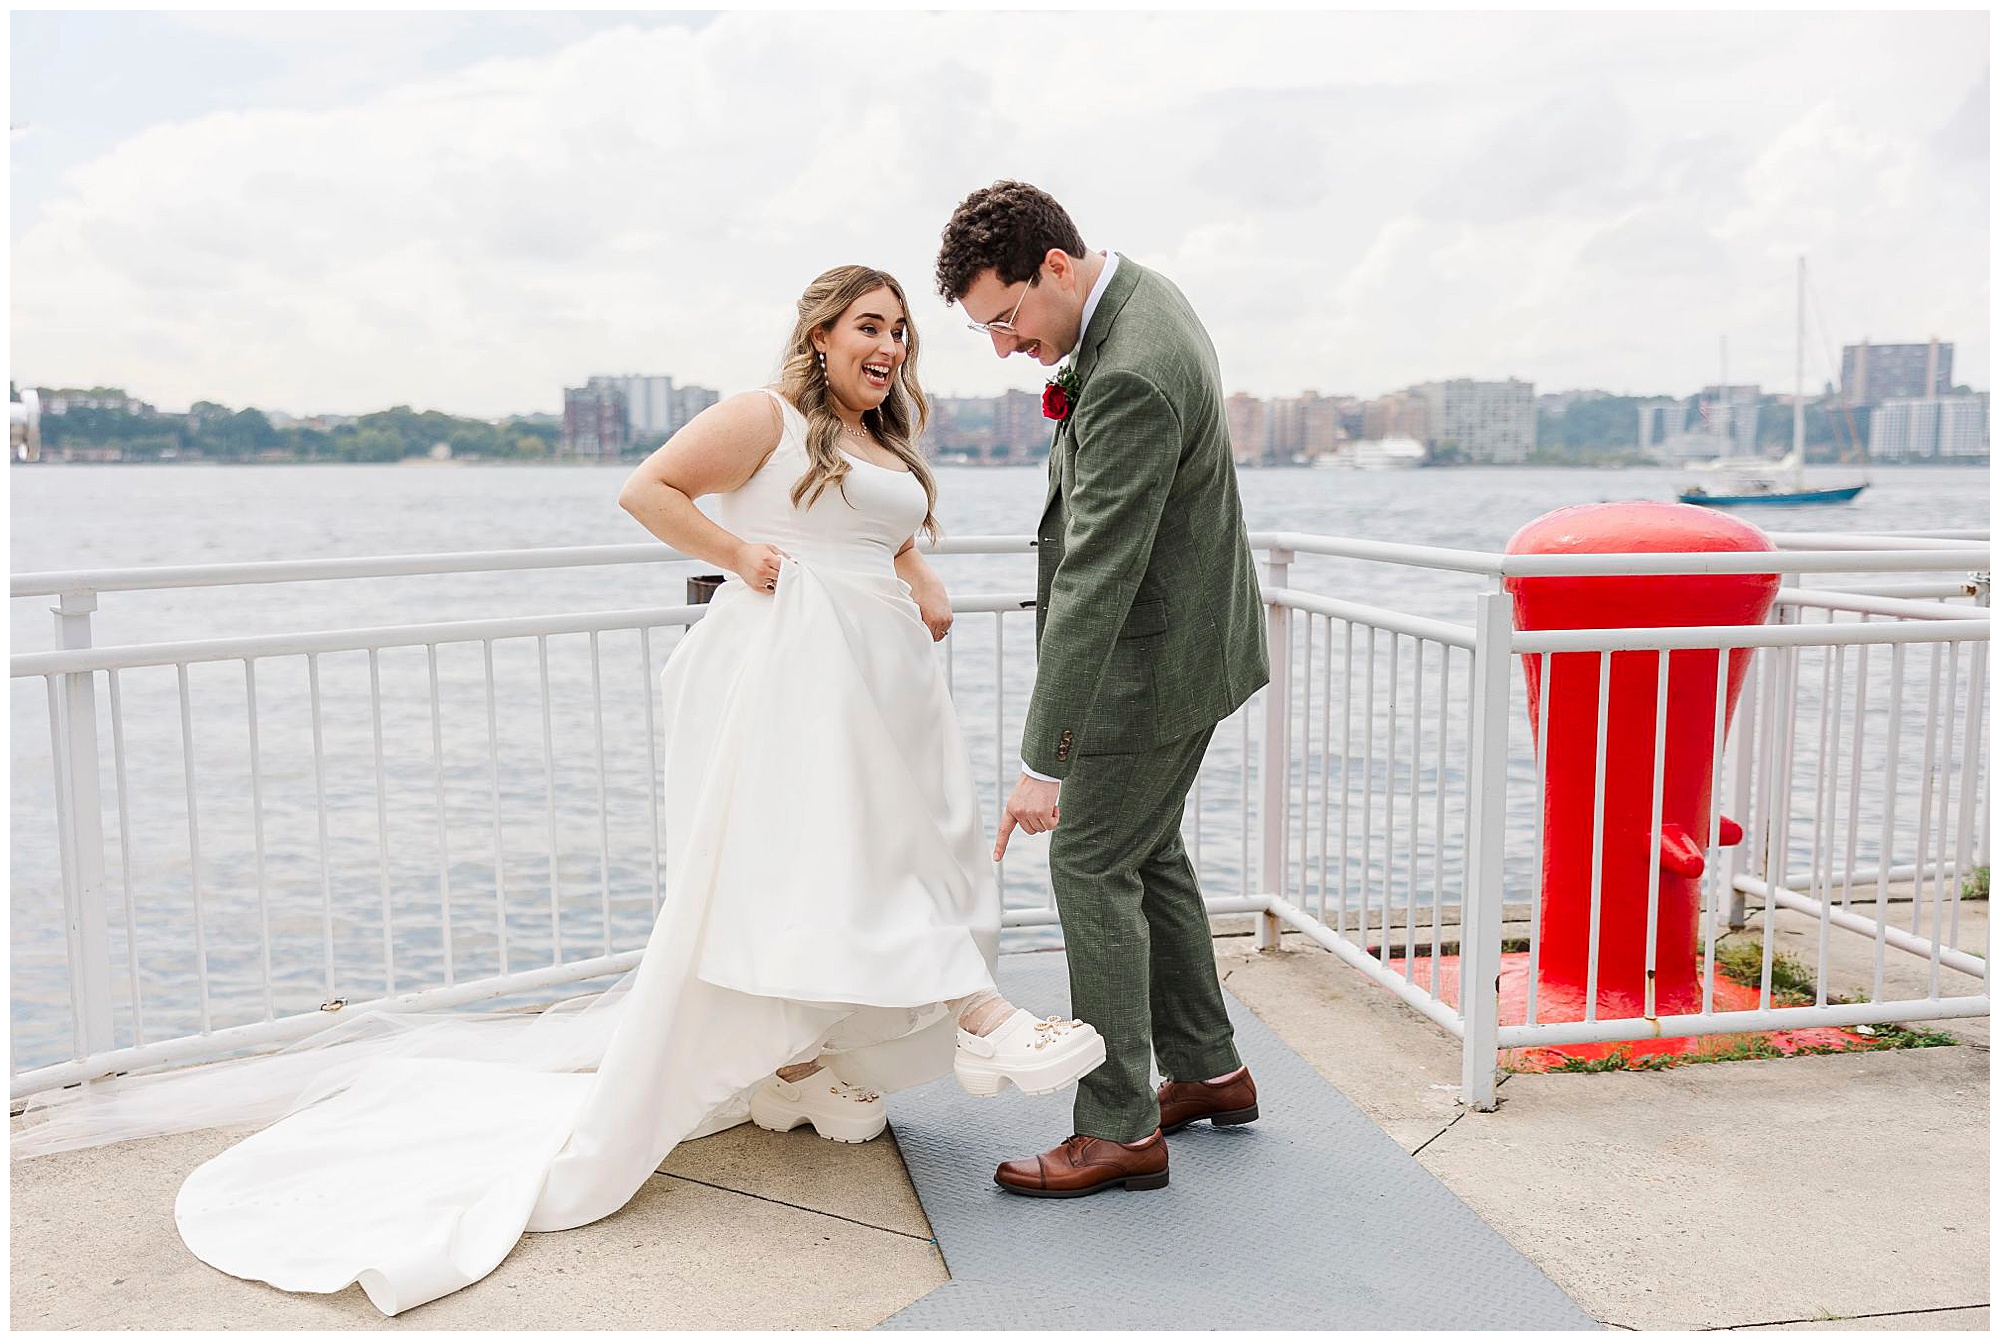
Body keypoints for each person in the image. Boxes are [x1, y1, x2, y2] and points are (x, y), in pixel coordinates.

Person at [14, 265, 1104, 1315]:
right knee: (848, 863)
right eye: (867, 326)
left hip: (882, 684)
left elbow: (888, 526)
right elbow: (646, 489)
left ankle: (799, 1068)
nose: (887, 346)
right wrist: (738, 553)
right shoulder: (762, 416)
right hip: (794, 685)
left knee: (890, 854)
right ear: (819, 335)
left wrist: (918, 571)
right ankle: (982, 1019)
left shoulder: (880, 439)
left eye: (900, 329)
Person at [934, 182, 1271, 1198]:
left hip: (1155, 663)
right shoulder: (1142, 299)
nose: (1002, 347)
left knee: (1086, 864)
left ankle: (1119, 1126)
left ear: (1054, 267)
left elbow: (1095, 573)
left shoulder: (1127, 372)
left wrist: (1046, 762)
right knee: (1145, 852)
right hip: (1194, 643)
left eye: (1005, 319)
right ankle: (1210, 1071)